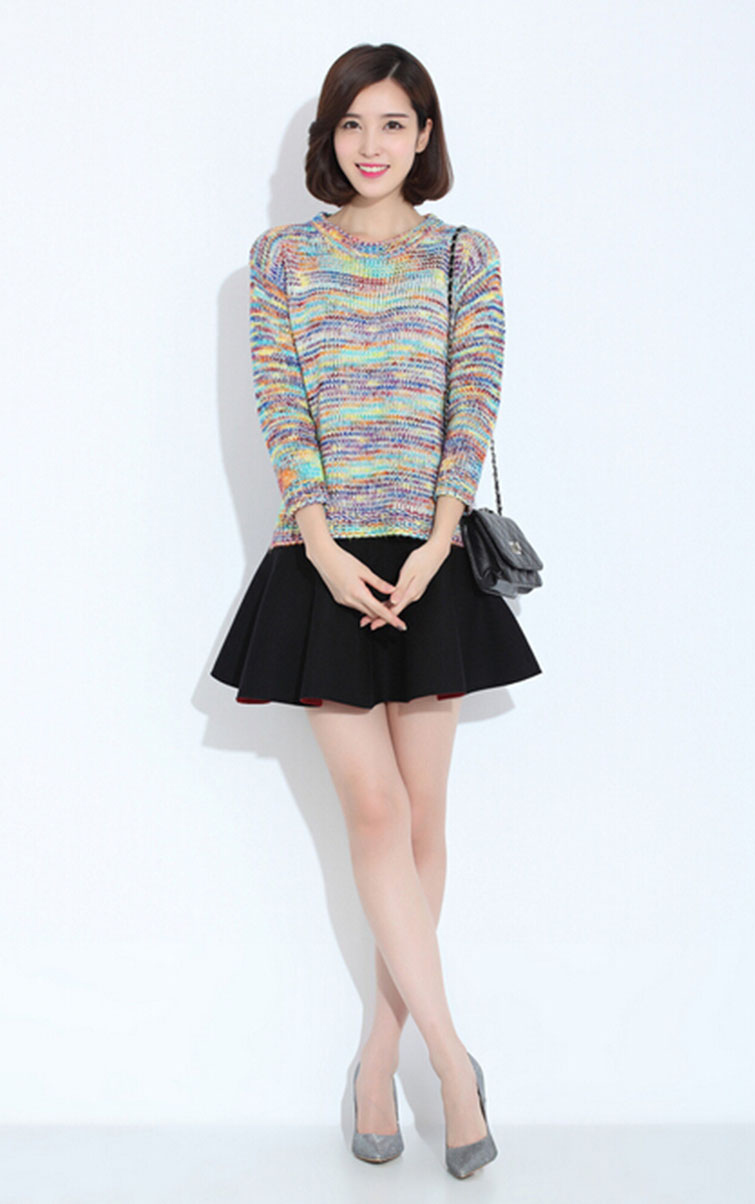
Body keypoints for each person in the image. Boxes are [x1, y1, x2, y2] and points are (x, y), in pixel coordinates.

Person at [210, 42, 542, 1178]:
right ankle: (451, 1062)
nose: (371, 145)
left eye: (393, 123)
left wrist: (440, 539)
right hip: (321, 558)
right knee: (374, 811)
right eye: (352, 123)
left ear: (423, 136)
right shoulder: (280, 260)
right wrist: (319, 541)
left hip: (430, 554)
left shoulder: (463, 256)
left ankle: (377, 1053)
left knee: (423, 817)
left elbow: (472, 398)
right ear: (329, 137)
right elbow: (281, 402)